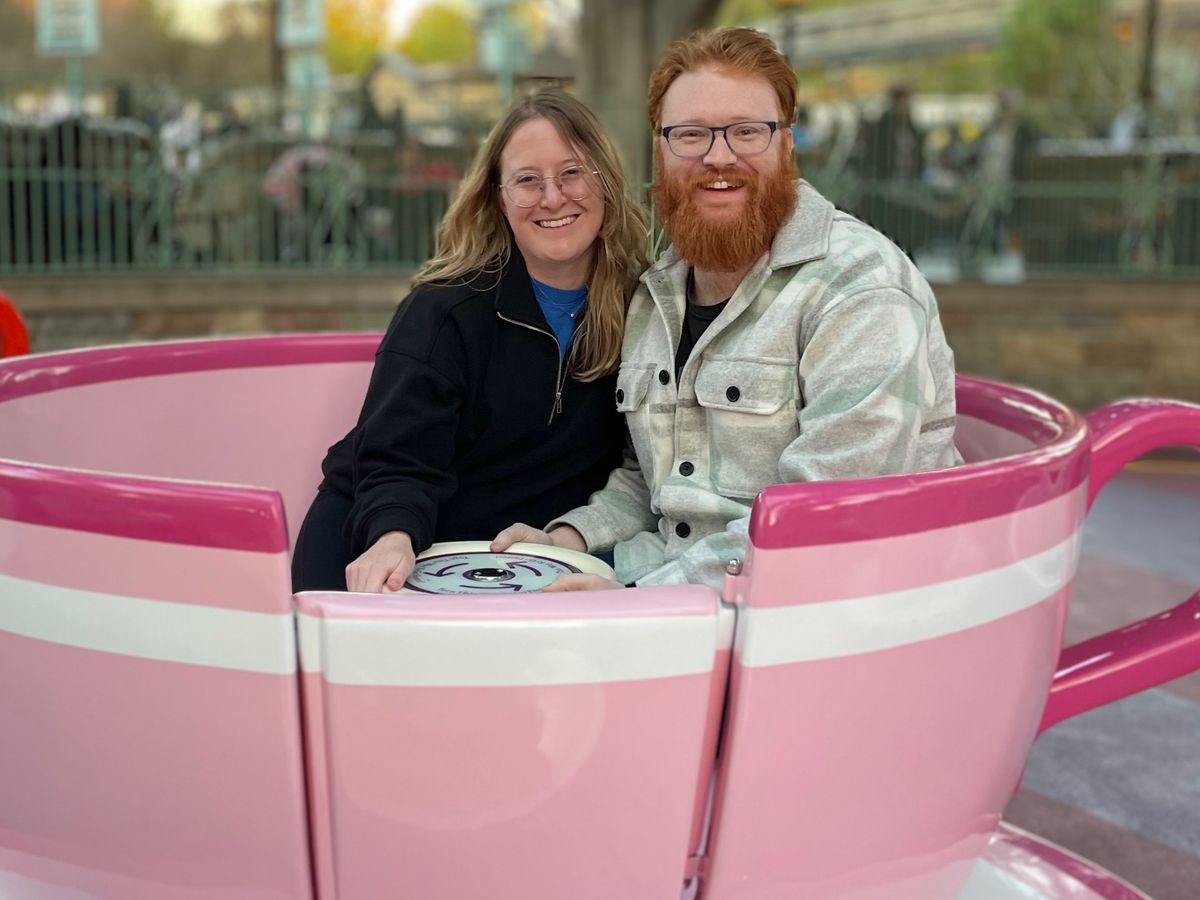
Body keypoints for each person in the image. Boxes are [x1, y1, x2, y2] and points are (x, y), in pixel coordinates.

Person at [493, 28, 962, 591]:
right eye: (691, 134)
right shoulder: (657, 291)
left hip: (827, 611)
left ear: (787, 145)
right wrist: (570, 542)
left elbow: (823, 517)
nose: (719, 156)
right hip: (674, 581)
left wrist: (639, 602)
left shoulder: (860, 289)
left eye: (746, 131)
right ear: (661, 150)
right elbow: (653, 479)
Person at [291, 89, 648, 593]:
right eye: (527, 180)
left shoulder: (647, 310)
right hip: (389, 549)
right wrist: (393, 536)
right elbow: (397, 457)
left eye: (572, 172)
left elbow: (645, 470)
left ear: (606, 183)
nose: (552, 198)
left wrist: (567, 539)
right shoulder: (444, 310)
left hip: (529, 566)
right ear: (499, 198)